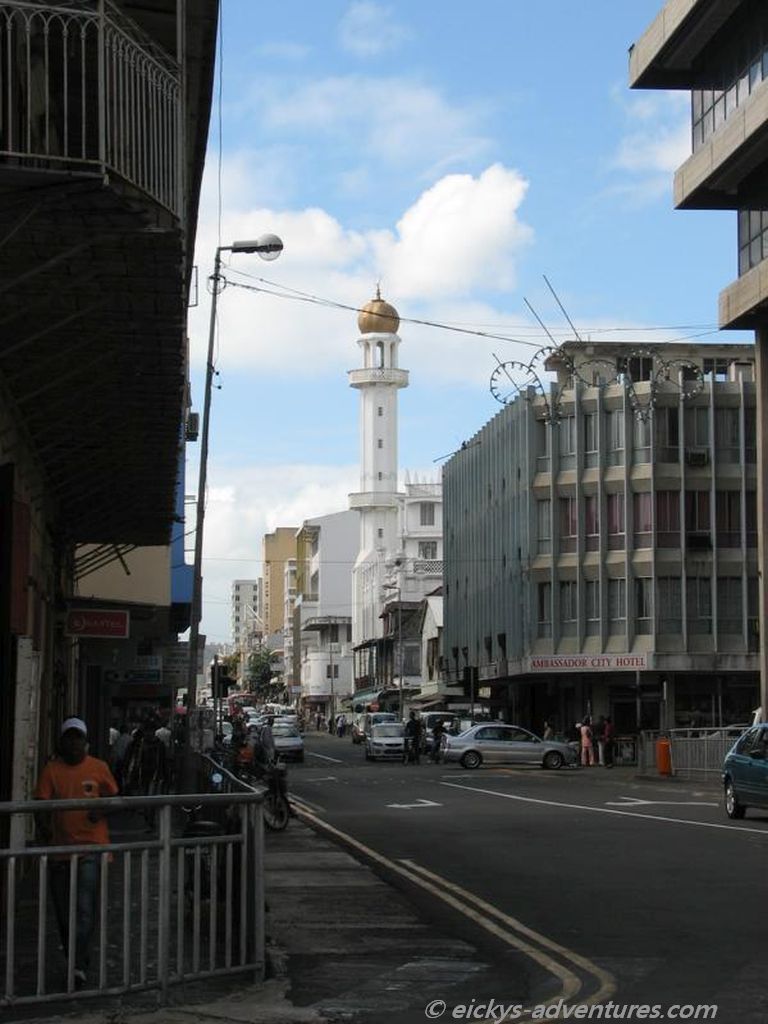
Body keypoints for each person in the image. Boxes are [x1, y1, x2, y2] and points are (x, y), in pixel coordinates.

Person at [34, 718, 118, 987]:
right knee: (63, 912)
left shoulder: (98, 767)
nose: (73, 743)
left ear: (85, 741)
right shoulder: (51, 770)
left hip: (92, 850)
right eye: (69, 738)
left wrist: (100, 810)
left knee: (84, 909)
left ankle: (77, 964)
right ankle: (76, 957)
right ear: (62, 741)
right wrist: (44, 827)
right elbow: (40, 803)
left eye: (77, 738)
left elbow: (114, 797)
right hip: (60, 850)